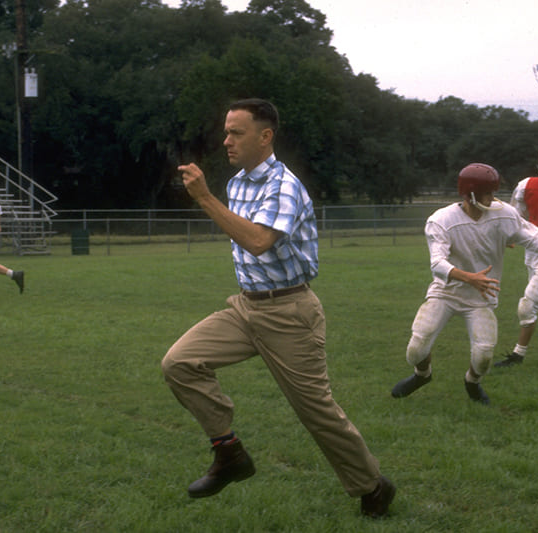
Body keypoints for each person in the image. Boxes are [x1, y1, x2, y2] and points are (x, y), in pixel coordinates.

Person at [160, 98, 395, 518]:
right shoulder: (237, 184)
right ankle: (229, 454)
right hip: (245, 308)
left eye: (236, 132)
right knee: (179, 363)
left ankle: (373, 487)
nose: (226, 140)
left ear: (265, 136)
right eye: (226, 131)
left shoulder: (284, 186)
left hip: (290, 313)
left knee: (317, 413)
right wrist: (215, 197)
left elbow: (257, 241)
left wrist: (204, 198)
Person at [391, 163, 538, 405]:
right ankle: (422, 375)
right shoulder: (441, 220)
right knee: (416, 349)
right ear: (470, 193)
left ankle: (472, 382)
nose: (493, 198)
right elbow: (437, 264)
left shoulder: (503, 214)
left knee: (483, 355)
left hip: (480, 297)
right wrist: (469, 277)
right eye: (488, 193)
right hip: (446, 293)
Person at [495, 143, 538, 368]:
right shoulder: (526, 186)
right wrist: (510, 236)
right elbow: (516, 216)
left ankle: (518, 355)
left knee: (527, 304)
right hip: (534, 251)